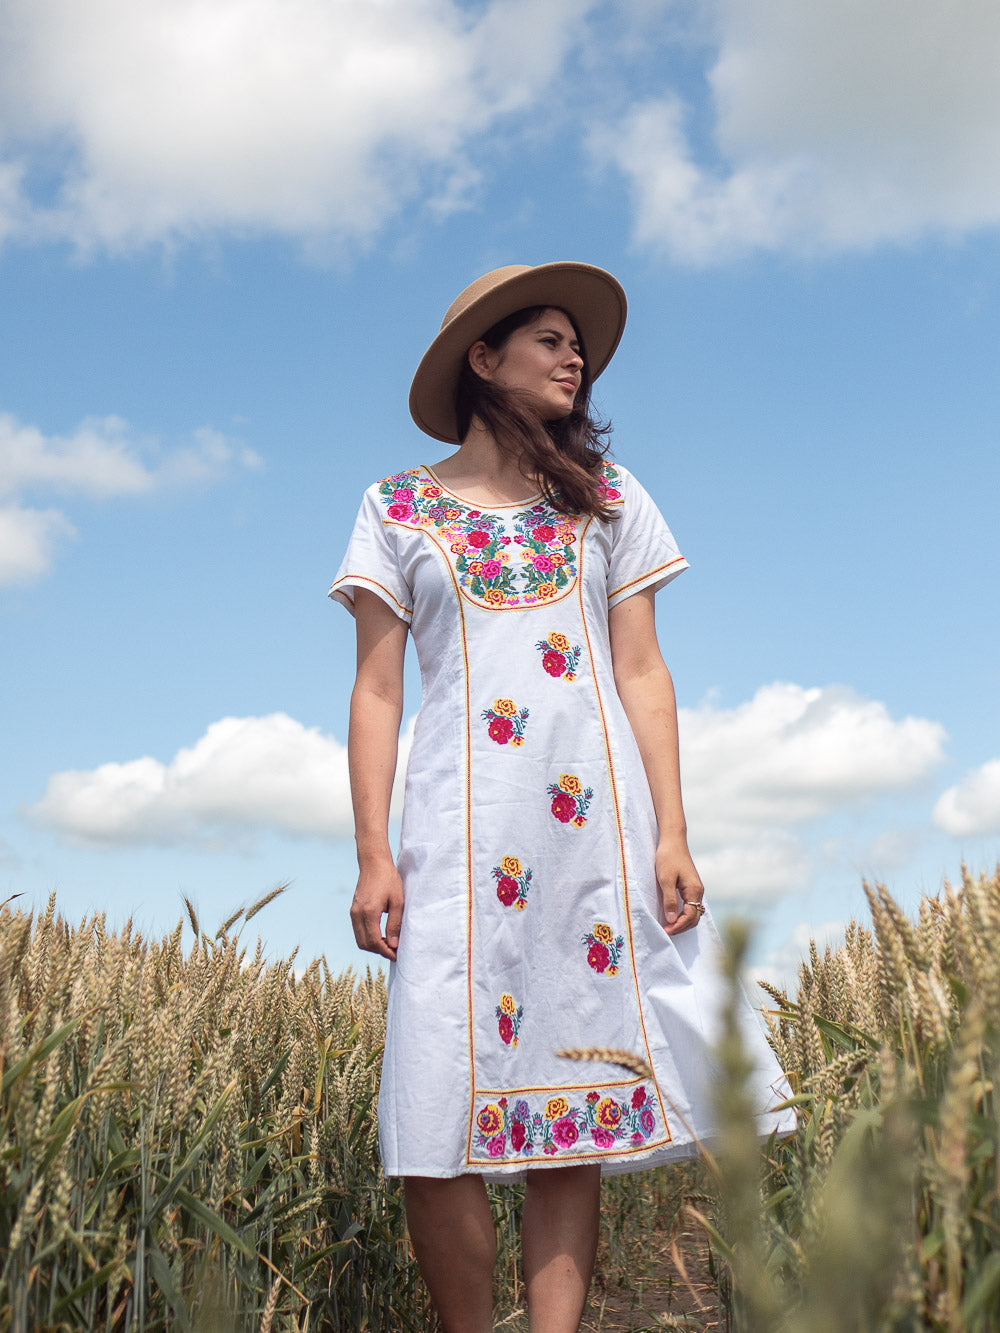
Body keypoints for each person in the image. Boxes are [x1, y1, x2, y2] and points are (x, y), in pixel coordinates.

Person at [330, 262, 795, 1332]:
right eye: (547, 338)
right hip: (450, 840)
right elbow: (375, 686)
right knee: (426, 1116)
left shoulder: (608, 500)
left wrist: (673, 829)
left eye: (577, 344)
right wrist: (371, 850)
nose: (574, 356)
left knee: (569, 1100)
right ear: (482, 360)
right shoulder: (395, 506)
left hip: (592, 834)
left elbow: (642, 671)